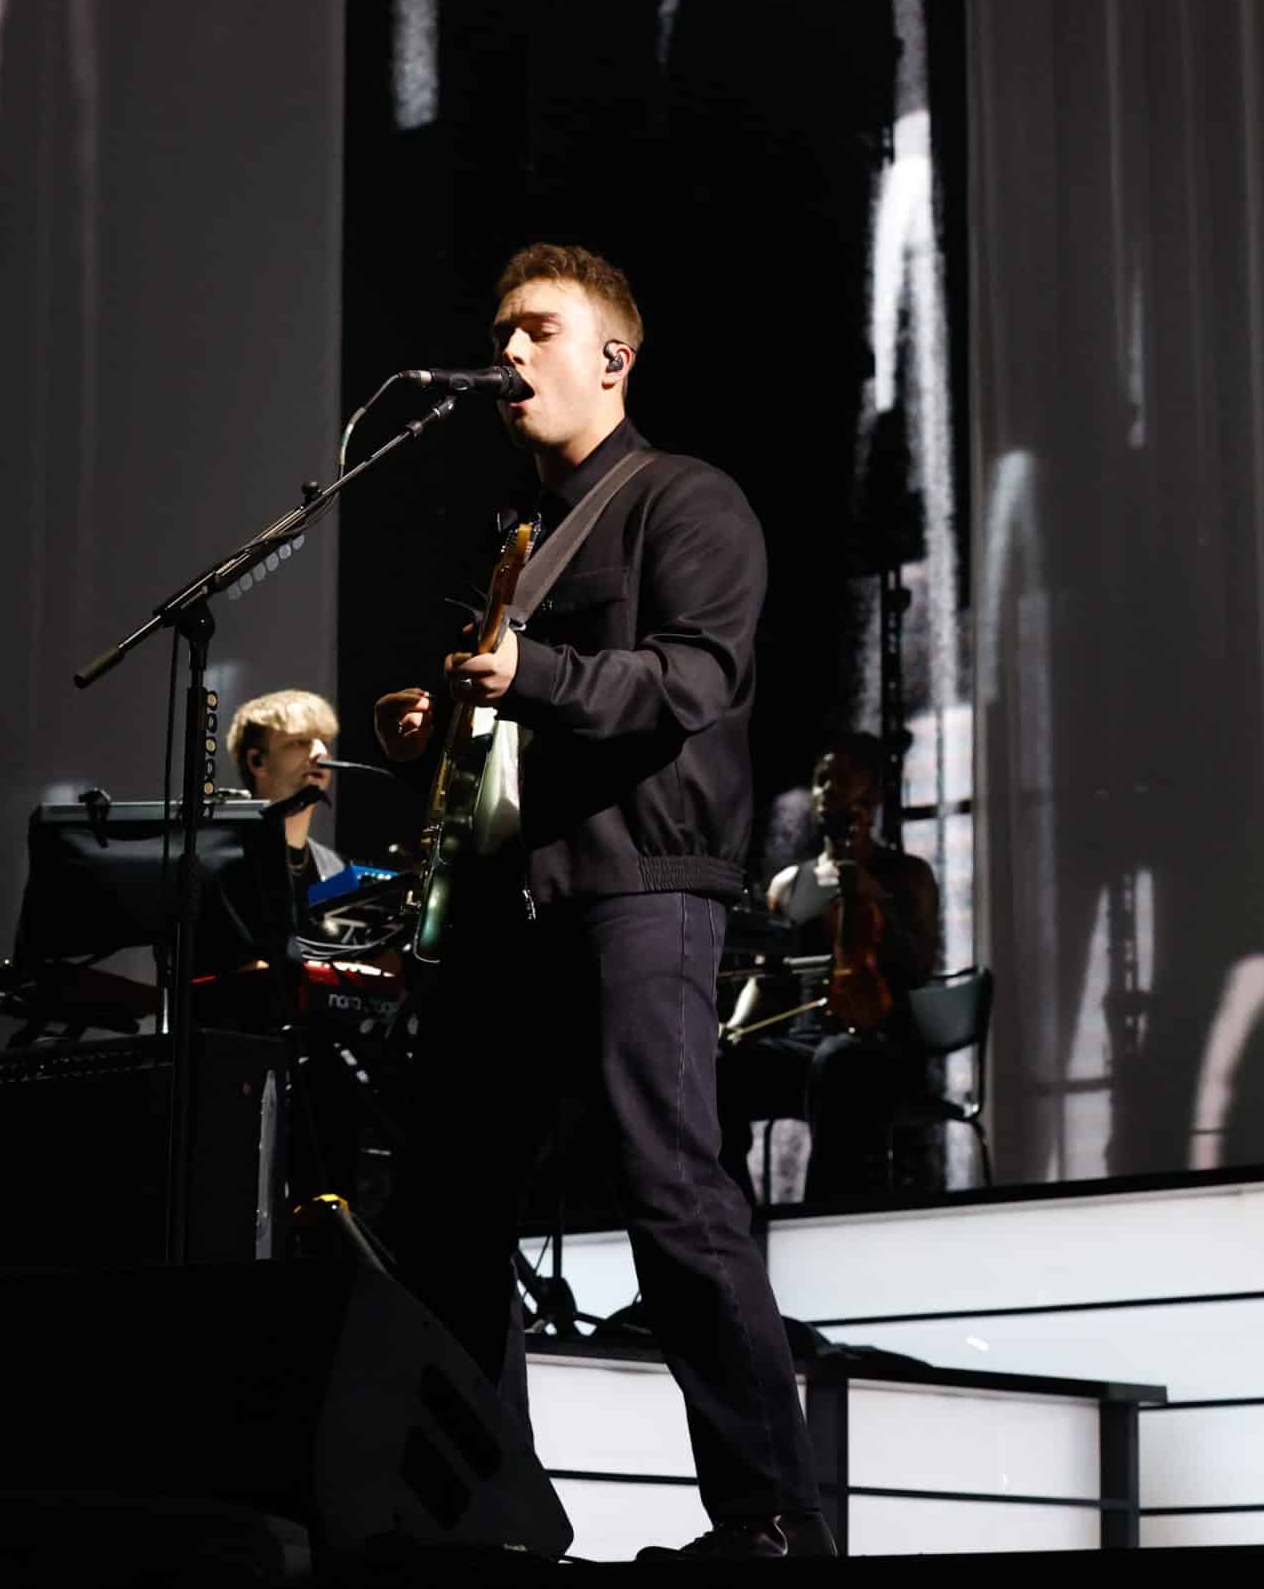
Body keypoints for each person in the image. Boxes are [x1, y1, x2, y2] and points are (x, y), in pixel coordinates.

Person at [374, 243, 829, 1562]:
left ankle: (773, 1521)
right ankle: (484, 1518)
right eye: (500, 334)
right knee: (443, 1209)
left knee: (670, 1187)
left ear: (614, 356)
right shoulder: (514, 535)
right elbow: (522, 717)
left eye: (538, 330)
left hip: (639, 887)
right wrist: (440, 729)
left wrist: (533, 675)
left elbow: (693, 678)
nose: (508, 354)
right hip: (513, 902)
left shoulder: (685, 499)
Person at [719, 734, 943, 1205]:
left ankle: (825, 1216)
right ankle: (731, 1214)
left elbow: (920, 969)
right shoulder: (788, 883)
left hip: (882, 1047)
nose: (826, 791)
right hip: (804, 1045)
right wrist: (736, 1026)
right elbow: (767, 977)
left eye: (842, 780)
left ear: (873, 796)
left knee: (840, 1064)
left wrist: (876, 898)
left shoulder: (909, 876)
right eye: (821, 780)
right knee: (719, 1067)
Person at [224, 687, 348, 888]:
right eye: (299, 742)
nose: (321, 753)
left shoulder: (336, 869)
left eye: (325, 742)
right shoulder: (223, 863)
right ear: (257, 761)